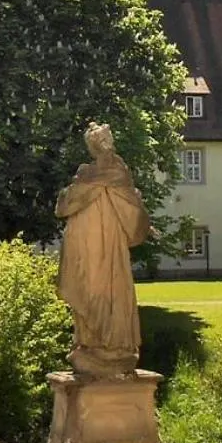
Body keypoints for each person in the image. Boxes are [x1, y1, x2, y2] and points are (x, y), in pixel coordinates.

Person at [55, 123, 153, 378]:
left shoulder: (117, 173)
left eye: (107, 140)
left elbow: (132, 209)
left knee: (110, 290)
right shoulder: (87, 173)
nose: (106, 145)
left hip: (109, 243)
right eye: (102, 141)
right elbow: (64, 205)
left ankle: (112, 347)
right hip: (85, 244)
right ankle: (90, 342)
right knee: (90, 289)